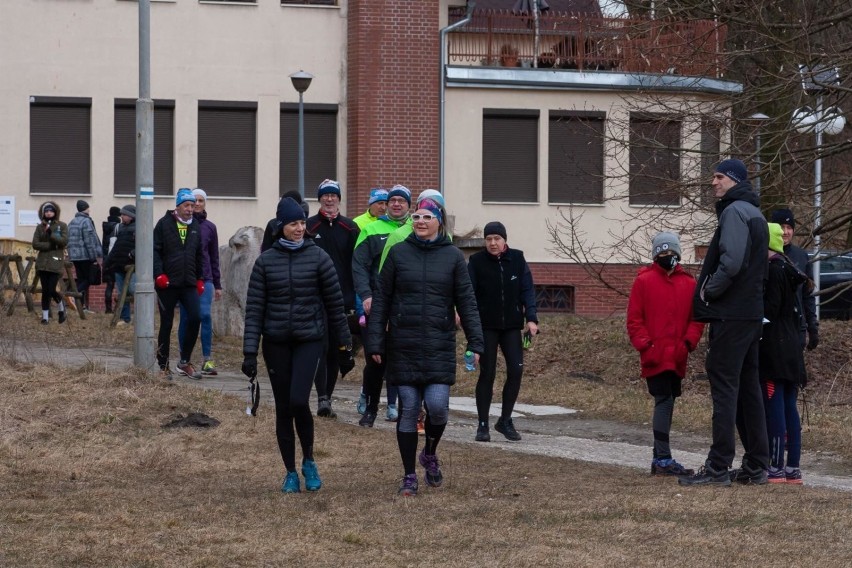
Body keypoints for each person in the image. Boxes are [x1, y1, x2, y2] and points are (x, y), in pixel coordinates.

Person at [366, 198, 484, 496]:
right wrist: (375, 340)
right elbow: (381, 300)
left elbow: (467, 302)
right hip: (403, 345)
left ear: (439, 222)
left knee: (437, 409)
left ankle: (429, 452)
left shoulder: (454, 257)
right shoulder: (397, 253)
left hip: (438, 345)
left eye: (426, 216)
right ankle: (408, 475)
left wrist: (476, 340)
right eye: (416, 216)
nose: (419, 221)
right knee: (408, 411)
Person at [242, 197, 353, 494]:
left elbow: (334, 306)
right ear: (281, 227)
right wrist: (249, 352)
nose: (300, 228)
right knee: (283, 408)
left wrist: (344, 347)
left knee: (299, 401)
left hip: (309, 340)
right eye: (294, 223)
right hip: (276, 342)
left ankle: (309, 460)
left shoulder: (319, 258)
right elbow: (254, 310)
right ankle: (290, 471)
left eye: (303, 222)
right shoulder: (266, 262)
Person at [680, 158, 770, 487]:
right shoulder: (755, 213)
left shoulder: (734, 212)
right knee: (749, 389)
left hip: (730, 314)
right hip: (750, 314)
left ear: (733, 180)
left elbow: (731, 263)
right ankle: (757, 465)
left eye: (718, 177)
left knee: (725, 387)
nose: (713, 183)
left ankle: (718, 467)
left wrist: (707, 292)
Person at [626, 232, 705, 476]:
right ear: (655, 255)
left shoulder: (689, 283)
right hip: (655, 354)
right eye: (662, 253)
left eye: (671, 252)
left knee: (669, 401)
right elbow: (634, 320)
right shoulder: (644, 281)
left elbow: (696, 318)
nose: (667, 256)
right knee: (664, 400)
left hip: (678, 355)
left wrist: (688, 342)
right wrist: (646, 345)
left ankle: (660, 456)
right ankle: (662, 458)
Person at [468, 221, 539, 442]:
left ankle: (505, 420)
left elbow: (527, 290)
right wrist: (465, 317)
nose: (492, 243)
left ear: (504, 240)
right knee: (487, 374)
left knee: (516, 371)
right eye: (488, 239)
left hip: (511, 326)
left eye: (496, 239)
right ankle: (482, 424)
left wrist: (531, 319)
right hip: (486, 326)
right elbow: (468, 292)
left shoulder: (517, 259)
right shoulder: (476, 261)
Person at [352, 184, 413, 427]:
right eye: (393, 200)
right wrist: (366, 296)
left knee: (403, 361)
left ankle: (403, 411)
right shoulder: (371, 229)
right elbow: (359, 266)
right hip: (377, 305)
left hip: (405, 307)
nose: (397, 204)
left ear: (409, 205)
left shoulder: (415, 229)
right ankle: (370, 408)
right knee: (376, 360)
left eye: (402, 201)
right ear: (386, 204)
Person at [305, 179, 360, 418]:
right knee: (320, 346)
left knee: (337, 350)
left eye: (333, 195)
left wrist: (356, 297)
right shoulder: (308, 226)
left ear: (339, 199)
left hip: (342, 298)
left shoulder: (350, 228)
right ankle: (322, 398)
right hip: (314, 298)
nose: (329, 199)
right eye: (325, 195)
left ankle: (327, 393)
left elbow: (356, 265)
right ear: (319, 199)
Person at [761, 223, 809, 484]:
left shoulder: (773, 270)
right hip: (792, 345)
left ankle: (776, 466)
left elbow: (770, 310)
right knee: (789, 404)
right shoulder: (789, 267)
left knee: (776, 405)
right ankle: (793, 468)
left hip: (775, 350)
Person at [153, 188, 204, 380]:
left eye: (193, 205)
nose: (191, 209)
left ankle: (184, 362)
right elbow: (155, 251)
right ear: (178, 206)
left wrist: (200, 278)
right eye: (187, 205)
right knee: (166, 323)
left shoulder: (196, 226)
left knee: (196, 317)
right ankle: (163, 366)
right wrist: (159, 274)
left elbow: (200, 255)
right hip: (167, 283)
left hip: (189, 282)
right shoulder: (164, 224)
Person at [178, 188, 222, 376]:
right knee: (186, 318)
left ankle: (207, 359)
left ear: (205, 203)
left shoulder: (210, 227)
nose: (196, 204)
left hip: (206, 278)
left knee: (204, 315)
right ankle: (184, 360)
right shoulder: (181, 224)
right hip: (185, 279)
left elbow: (214, 256)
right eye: (193, 201)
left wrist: (217, 284)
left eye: (200, 201)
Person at [769, 208, 818, 351]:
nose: (785, 232)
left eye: (789, 227)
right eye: (781, 227)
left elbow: (807, 295)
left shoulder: (801, 256)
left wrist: (812, 326)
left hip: (796, 327)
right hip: (771, 328)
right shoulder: (764, 254)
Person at [31, 201, 69, 324]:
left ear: (55, 212)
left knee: (51, 289)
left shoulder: (62, 226)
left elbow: (63, 242)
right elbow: (35, 244)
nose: (48, 213)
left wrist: (50, 234)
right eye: (46, 211)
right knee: (45, 291)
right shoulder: (39, 227)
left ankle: (61, 307)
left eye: (51, 211)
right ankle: (45, 317)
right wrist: (51, 245)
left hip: (55, 262)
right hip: (42, 263)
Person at [67, 199, 102, 313]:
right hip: (86, 256)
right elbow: (89, 241)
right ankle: (72, 294)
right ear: (86, 209)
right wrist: (93, 258)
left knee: (81, 278)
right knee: (88, 279)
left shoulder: (71, 222)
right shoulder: (86, 222)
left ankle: (81, 306)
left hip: (75, 257)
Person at [104, 205, 136, 325]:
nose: (121, 216)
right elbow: (116, 248)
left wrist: (133, 254)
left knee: (133, 290)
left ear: (131, 216)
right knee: (122, 292)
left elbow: (144, 247)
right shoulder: (120, 228)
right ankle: (125, 318)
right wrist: (108, 262)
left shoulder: (139, 228)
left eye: (124, 214)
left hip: (133, 267)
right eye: (121, 214)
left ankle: (142, 317)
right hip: (119, 266)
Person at [102, 206, 121, 314]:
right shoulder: (118, 226)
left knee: (109, 285)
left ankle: (108, 309)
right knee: (119, 284)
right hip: (116, 258)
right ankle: (118, 307)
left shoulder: (105, 226)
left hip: (106, 258)